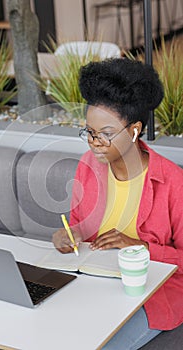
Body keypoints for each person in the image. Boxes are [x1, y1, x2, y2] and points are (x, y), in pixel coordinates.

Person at [52, 58, 183, 349]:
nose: (94, 142)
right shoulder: (88, 166)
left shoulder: (174, 182)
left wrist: (139, 247)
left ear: (135, 130)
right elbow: (80, 228)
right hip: (94, 283)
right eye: (89, 132)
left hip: (151, 292)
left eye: (106, 134)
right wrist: (70, 235)